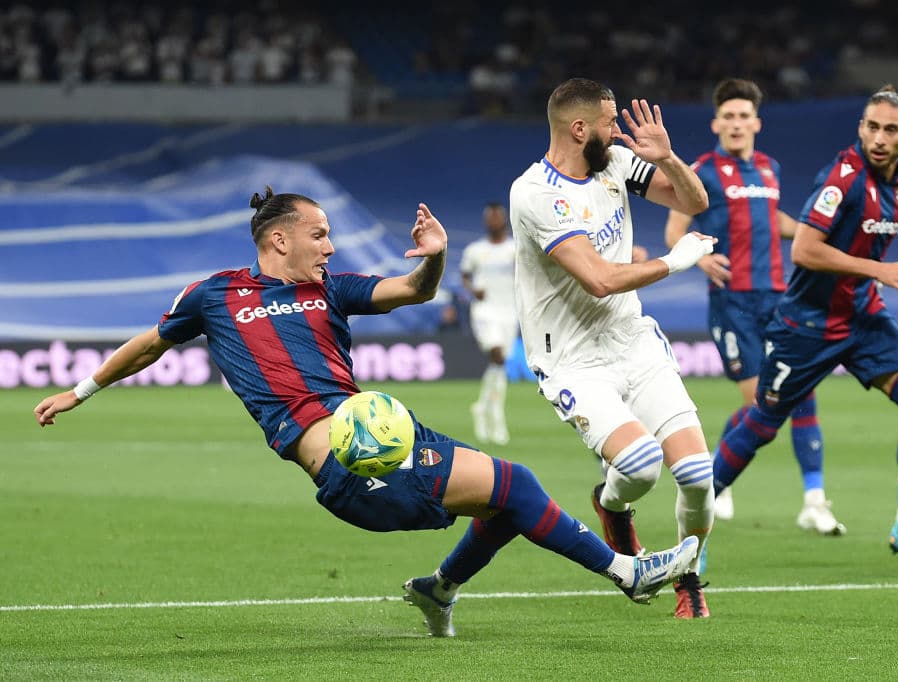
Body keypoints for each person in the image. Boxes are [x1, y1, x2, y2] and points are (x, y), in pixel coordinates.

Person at [33, 188, 701, 637]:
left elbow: (411, 289)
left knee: (506, 495)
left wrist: (435, 259)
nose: (329, 247)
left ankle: (438, 591)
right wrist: (81, 390)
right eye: (318, 235)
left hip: (386, 436)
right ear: (277, 239)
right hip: (349, 462)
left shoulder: (333, 290)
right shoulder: (214, 295)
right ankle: (628, 573)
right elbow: (151, 342)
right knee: (517, 488)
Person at [710, 85, 898, 569]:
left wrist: (869, 280)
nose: (879, 137)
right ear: (860, 128)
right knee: (761, 425)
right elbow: (804, 249)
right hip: (807, 323)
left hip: (863, 319)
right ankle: (691, 531)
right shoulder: (841, 178)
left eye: (890, 129)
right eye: (871, 126)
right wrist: (877, 271)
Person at [510, 77, 719, 619]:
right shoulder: (534, 194)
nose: (618, 130)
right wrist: (677, 261)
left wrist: (669, 159)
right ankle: (612, 504)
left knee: (698, 476)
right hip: (572, 360)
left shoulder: (616, 163)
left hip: (631, 342)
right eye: (609, 122)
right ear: (579, 128)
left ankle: (689, 578)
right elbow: (599, 279)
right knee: (642, 465)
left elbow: (696, 202)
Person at [664, 78, 843, 535]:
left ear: (756, 123)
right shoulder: (700, 170)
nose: (737, 123)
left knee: (802, 393)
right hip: (733, 303)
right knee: (761, 402)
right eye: (729, 116)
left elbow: (774, 221)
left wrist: (815, 231)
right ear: (716, 123)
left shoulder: (769, 168)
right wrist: (699, 256)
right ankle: (712, 481)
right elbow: (674, 230)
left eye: (745, 116)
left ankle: (814, 501)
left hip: (779, 297)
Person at [460, 202, 517, 445]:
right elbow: (465, 275)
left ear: (504, 219)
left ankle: (482, 407)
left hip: (509, 311)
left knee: (499, 363)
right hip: (485, 311)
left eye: (498, 217)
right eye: (490, 218)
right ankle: (497, 416)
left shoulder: (516, 249)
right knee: (497, 356)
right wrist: (474, 290)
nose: (494, 221)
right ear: (486, 221)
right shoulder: (475, 250)